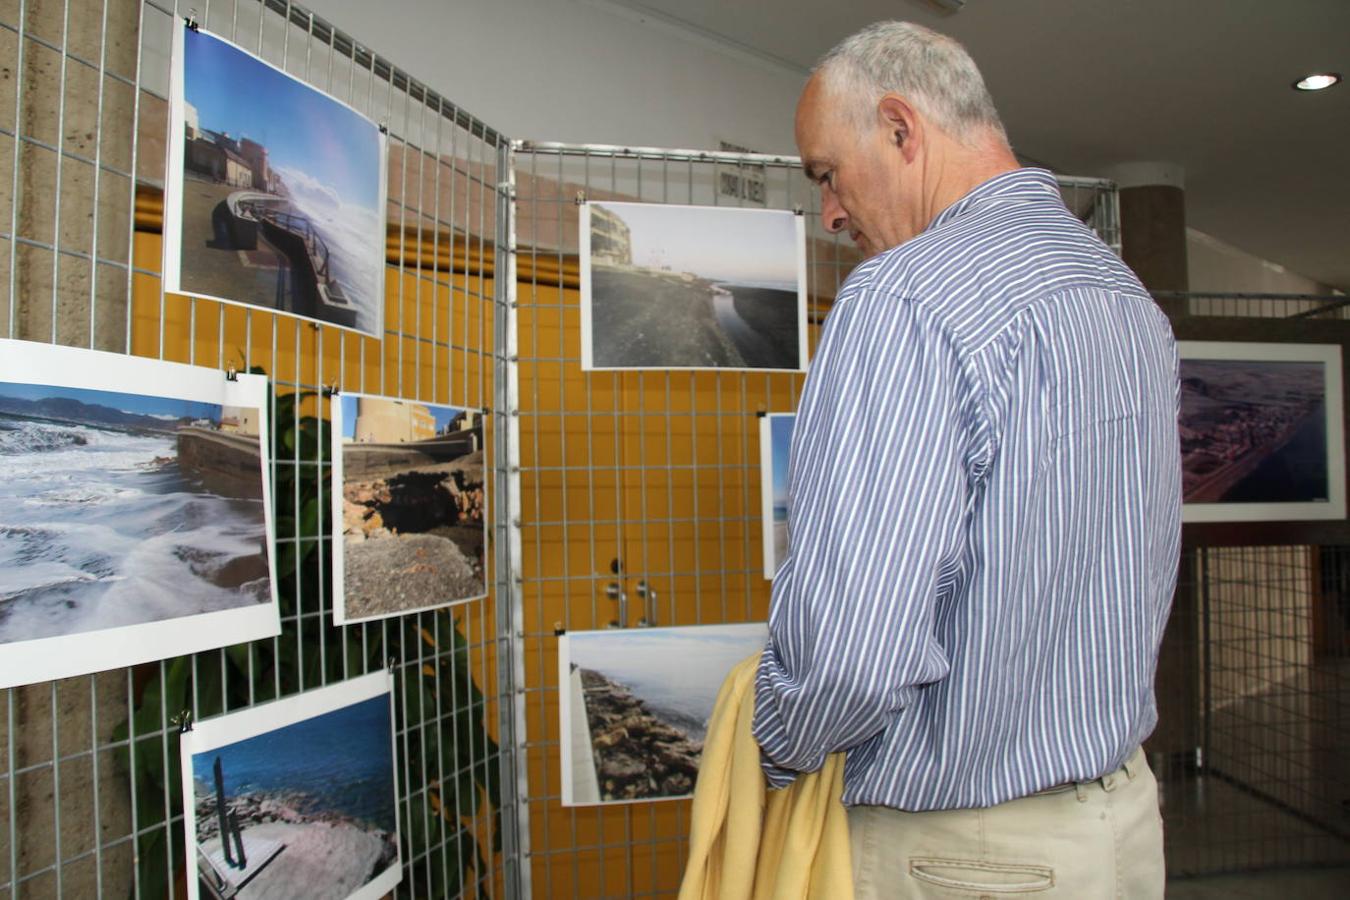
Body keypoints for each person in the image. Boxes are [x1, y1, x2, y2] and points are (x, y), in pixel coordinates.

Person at [752, 21, 1180, 899]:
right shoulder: (1124, 296)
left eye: (826, 173)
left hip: (961, 856)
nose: (828, 213)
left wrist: (772, 740)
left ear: (903, 130)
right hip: (1122, 828)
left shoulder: (903, 295)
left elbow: (850, 653)